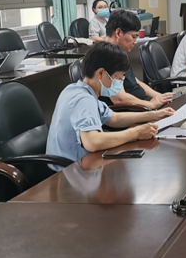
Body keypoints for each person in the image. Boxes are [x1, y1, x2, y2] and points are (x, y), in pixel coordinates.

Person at [46, 43, 175, 166]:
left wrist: (154, 115)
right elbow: (92, 142)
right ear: (100, 73)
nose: (119, 83)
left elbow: (114, 118)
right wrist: (136, 133)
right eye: (118, 78)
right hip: (69, 170)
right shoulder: (83, 99)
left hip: (76, 165)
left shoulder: (76, 89)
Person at [104, 10, 173, 109]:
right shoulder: (105, 57)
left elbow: (134, 81)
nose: (135, 42)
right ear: (118, 33)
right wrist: (151, 104)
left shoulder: (119, 54)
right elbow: (119, 99)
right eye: (133, 37)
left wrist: (160, 96)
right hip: (131, 110)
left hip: (141, 105)